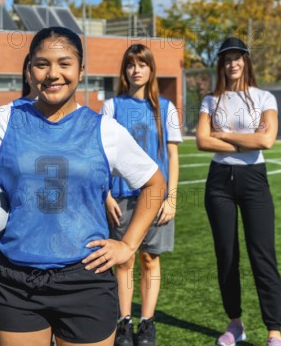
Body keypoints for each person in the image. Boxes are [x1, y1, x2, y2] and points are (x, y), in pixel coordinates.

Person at [0, 26, 166, 346]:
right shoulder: (2, 121)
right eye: (42, 64)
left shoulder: (106, 130)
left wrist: (128, 245)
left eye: (64, 64)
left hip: (86, 281)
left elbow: (154, 183)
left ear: (81, 70)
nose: (53, 74)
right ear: (29, 70)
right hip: (16, 283)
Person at [196, 37, 281, 346]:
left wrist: (222, 134)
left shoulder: (264, 98)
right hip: (219, 180)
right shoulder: (211, 100)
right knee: (227, 254)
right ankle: (235, 324)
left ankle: (274, 330)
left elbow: (266, 141)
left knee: (262, 254)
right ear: (221, 64)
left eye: (237, 57)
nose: (232, 63)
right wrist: (244, 138)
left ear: (246, 61)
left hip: (254, 180)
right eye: (226, 58)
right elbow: (202, 141)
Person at [101, 44, 181, 346]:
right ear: (124, 70)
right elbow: (103, 155)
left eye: (142, 64)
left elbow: (172, 156)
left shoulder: (166, 107)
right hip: (120, 196)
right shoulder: (111, 106)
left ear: (151, 70)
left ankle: (147, 323)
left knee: (150, 259)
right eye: (131, 64)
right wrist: (107, 195)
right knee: (124, 261)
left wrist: (171, 197)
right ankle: (124, 322)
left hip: (155, 198)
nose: (136, 70)